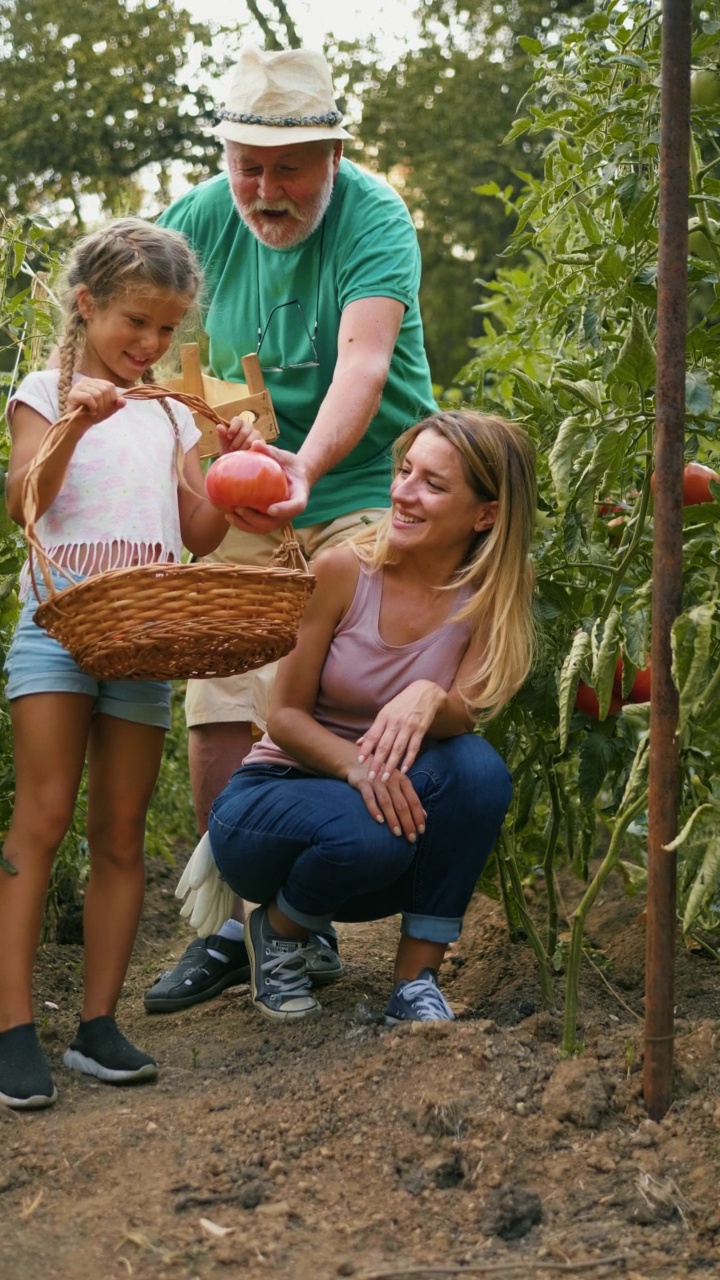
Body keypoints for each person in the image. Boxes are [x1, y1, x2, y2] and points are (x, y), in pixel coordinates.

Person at [143, 43, 437, 1013]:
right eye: (249, 166)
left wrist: (306, 467)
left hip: (361, 479)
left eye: (290, 167)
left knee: (340, 671)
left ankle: (297, 919)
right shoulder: (188, 224)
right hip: (242, 483)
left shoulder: (375, 213)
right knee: (222, 679)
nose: (266, 189)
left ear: (333, 155)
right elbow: (143, 356)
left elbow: (363, 359)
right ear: (226, 156)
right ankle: (234, 923)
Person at [0, 217, 258, 1110]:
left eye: (165, 330)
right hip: (61, 625)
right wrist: (76, 419)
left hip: (144, 635)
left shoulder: (165, 414)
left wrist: (225, 472)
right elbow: (25, 498)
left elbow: (196, 532)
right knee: (38, 820)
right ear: (87, 304)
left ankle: (98, 1027)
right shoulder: (43, 388)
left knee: (120, 832)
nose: (149, 346)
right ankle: (13, 1029)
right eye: (135, 325)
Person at [199, 409, 536, 1023]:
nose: (404, 494)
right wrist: (359, 767)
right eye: (405, 471)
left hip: (374, 820)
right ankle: (277, 931)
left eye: (433, 485)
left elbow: (468, 711)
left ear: (485, 514)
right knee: (369, 829)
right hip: (272, 803)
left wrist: (431, 696)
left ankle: (414, 983)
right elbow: (286, 719)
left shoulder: (491, 591)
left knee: (480, 772)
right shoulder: (344, 569)